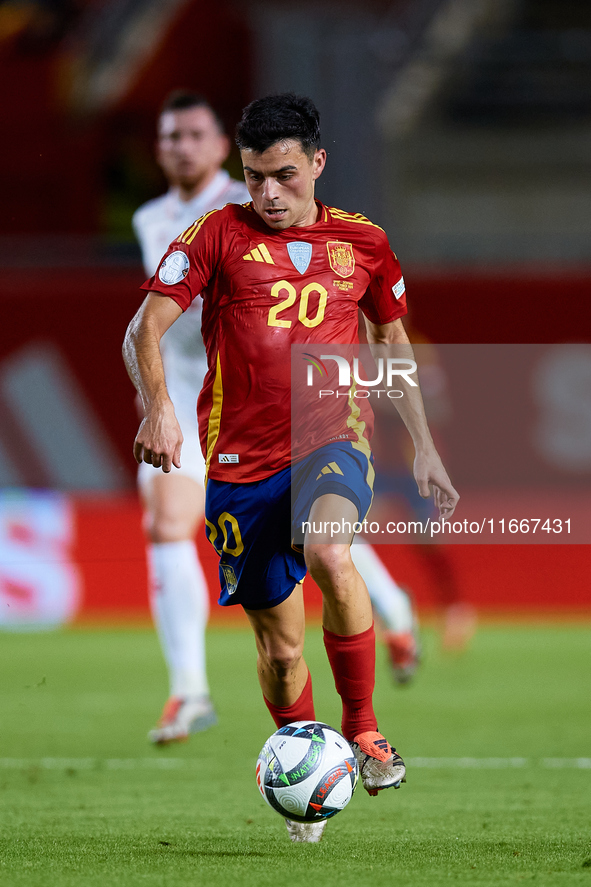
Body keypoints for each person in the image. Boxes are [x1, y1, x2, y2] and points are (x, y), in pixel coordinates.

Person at [123, 93, 459, 842]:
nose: (267, 194)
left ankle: (365, 733)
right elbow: (144, 326)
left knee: (330, 547)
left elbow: (390, 339)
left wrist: (424, 442)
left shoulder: (364, 243)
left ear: (317, 163)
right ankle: (302, 759)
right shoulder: (214, 234)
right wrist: (159, 406)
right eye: (252, 177)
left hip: (332, 437)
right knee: (278, 650)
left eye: (282, 175)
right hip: (240, 462)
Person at [132, 91, 250, 744]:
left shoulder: (249, 204)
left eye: (193, 133)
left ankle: (392, 611)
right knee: (167, 522)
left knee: (313, 536)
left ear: (218, 143)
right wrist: (155, 399)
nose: (180, 145)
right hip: (180, 394)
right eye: (169, 135)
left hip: (249, 395)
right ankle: (189, 690)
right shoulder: (151, 217)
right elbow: (155, 322)